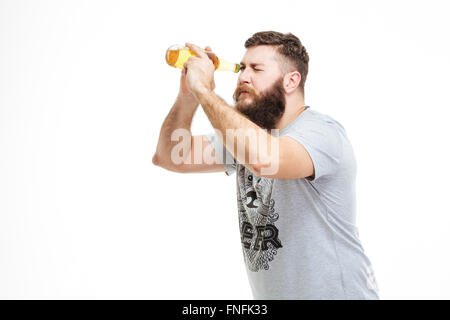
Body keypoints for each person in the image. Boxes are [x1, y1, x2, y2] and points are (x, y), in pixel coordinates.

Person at [152, 31, 379, 300]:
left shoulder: (321, 133)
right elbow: (169, 156)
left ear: (291, 80)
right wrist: (189, 96)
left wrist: (204, 90)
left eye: (256, 69)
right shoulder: (248, 138)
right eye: (242, 68)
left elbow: (264, 159)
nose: (243, 77)